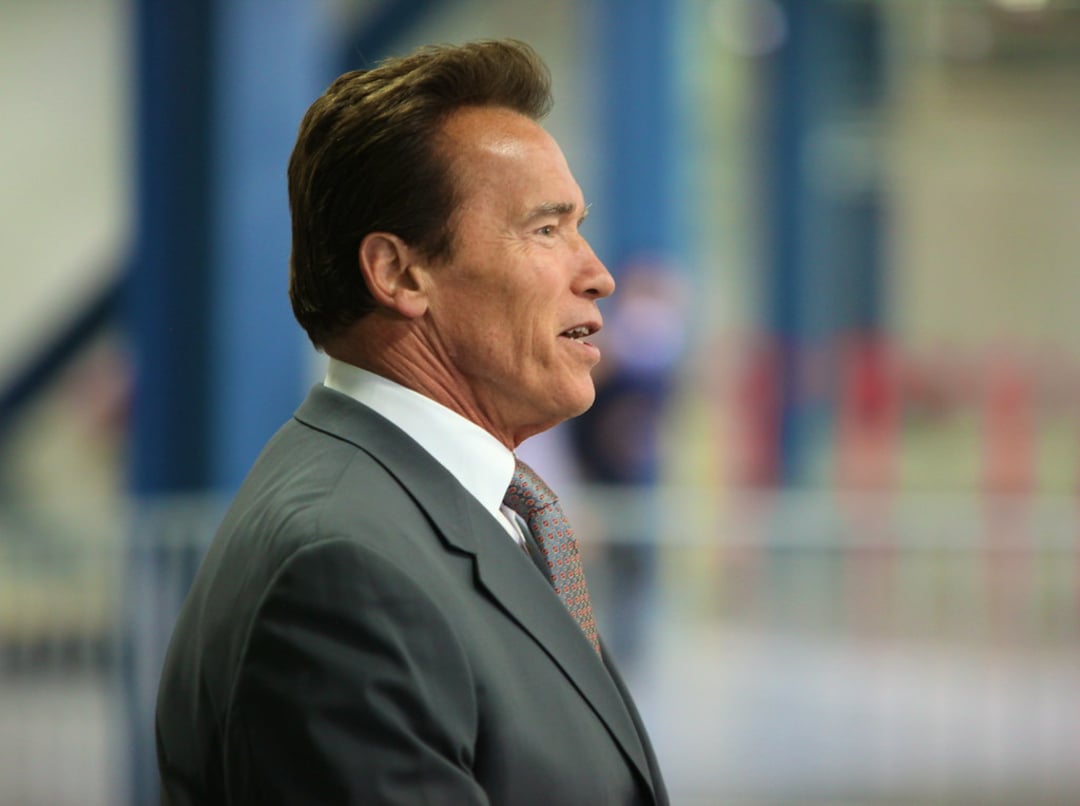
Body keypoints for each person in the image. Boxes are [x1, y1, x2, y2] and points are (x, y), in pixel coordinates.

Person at [155, 39, 669, 805]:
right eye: (545, 230)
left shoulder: (449, 511)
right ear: (398, 273)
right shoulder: (343, 569)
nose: (597, 274)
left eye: (579, 225)